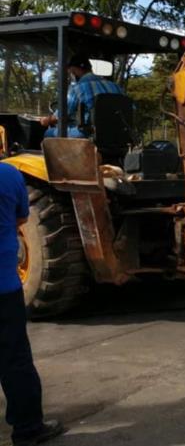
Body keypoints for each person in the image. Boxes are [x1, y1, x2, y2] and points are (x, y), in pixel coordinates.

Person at [0, 163, 64, 446]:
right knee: (15, 360)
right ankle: (28, 429)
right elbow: (20, 220)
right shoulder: (9, 175)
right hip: (3, 288)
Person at [40, 53, 124, 138]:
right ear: (90, 68)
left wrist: (47, 120)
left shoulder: (78, 88)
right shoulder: (116, 87)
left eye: (71, 72)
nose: (71, 75)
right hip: (118, 136)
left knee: (49, 133)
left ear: (74, 70)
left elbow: (61, 115)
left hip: (91, 134)